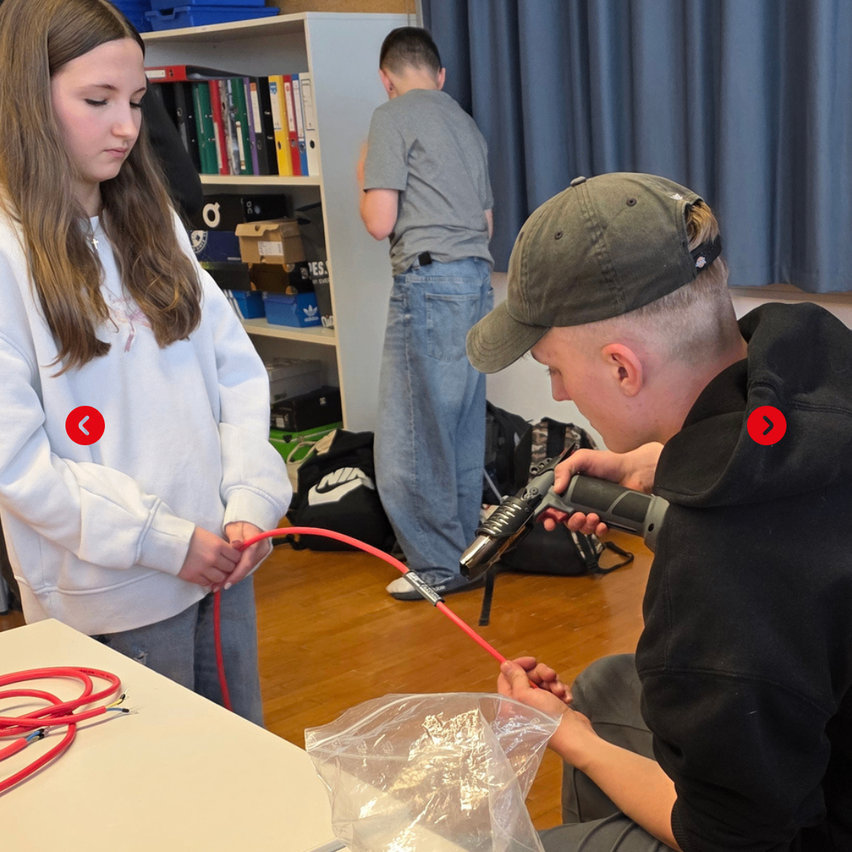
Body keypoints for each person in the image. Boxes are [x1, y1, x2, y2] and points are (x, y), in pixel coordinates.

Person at [466, 172, 852, 851]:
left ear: (623, 368)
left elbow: (728, 838)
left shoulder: (713, 574)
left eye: (554, 367)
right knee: (609, 681)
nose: (556, 393)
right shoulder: (815, 354)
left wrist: (572, 741)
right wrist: (660, 464)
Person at [0, 0, 290, 724]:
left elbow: (234, 374)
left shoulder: (151, 219)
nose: (128, 127)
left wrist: (250, 499)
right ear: (27, 100)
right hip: (112, 599)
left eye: (135, 101)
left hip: (220, 567)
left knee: (241, 781)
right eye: (97, 101)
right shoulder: (8, 253)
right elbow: (19, 464)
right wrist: (160, 540)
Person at [357, 26, 494, 600]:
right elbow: (487, 223)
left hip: (428, 281)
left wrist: (366, 168)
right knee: (459, 428)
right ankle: (464, 556)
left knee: (411, 432)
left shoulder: (391, 117)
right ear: (440, 76)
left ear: (386, 80)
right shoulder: (464, 121)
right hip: (477, 282)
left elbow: (378, 221)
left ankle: (436, 568)